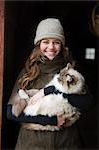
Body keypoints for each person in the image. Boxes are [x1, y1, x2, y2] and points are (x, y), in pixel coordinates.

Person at [7, 18, 94, 150]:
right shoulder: (29, 73)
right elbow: (10, 113)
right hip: (32, 143)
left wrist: (54, 90)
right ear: (38, 44)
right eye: (46, 42)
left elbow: (88, 103)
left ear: (62, 45)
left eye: (56, 42)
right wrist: (50, 121)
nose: (51, 47)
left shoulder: (69, 71)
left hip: (66, 141)